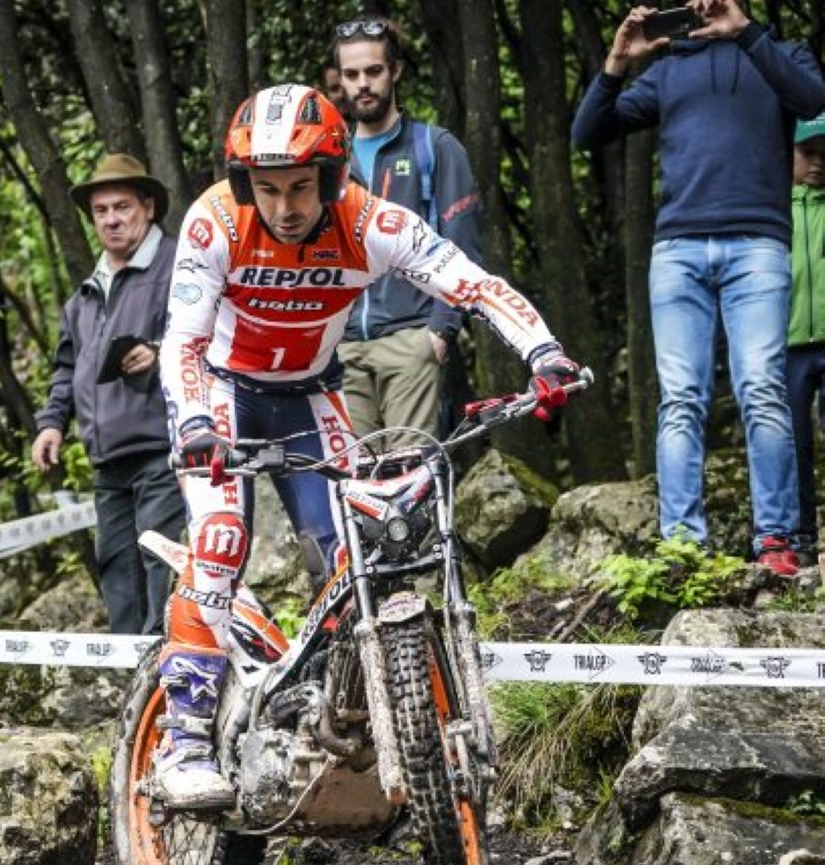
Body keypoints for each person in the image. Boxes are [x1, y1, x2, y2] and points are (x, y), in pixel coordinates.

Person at [153, 84, 579, 809]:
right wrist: (196, 425)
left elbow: (470, 284)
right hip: (221, 391)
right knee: (221, 535)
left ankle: (339, 705)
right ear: (242, 183)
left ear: (332, 176)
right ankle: (182, 739)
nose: (285, 207)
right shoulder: (213, 222)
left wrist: (543, 353)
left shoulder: (369, 221)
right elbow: (183, 342)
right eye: (267, 188)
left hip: (312, 392)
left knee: (366, 552)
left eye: (299, 187)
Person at [571, 0, 825, 576]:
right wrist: (617, 61)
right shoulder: (668, 68)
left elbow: (813, 100)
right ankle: (683, 547)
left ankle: (776, 540)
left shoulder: (780, 51)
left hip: (758, 246)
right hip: (678, 249)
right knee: (681, 399)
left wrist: (746, 34)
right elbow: (588, 132)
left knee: (762, 389)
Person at [32, 152, 187, 634]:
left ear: (148, 207)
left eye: (122, 207)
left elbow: (215, 334)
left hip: (163, 449)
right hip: (107, 460)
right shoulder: (86, 294)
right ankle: (131, 692)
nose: (112, 220)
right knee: (118, 575)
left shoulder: (177, 265)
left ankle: (171, 688)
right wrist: (51, 422)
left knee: (162, 568)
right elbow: (65, 365)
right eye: (101, 212)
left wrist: (161, 352)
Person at [332, 14, 484, 447]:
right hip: (339, 349)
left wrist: (441, 330)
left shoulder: (434, 147)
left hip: (411, 338)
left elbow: (463, 242)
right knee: (351, 485)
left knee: (409, 483)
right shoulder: (328, 159)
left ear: (395, 71)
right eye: (351, 74)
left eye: (374, 71)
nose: (363, 84)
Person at [789, 113, 825, 561]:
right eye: (808, 154)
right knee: (792, 443)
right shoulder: (770, 210)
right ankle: (800, 537)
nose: (817, 164)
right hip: (787, 343)